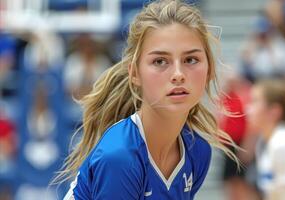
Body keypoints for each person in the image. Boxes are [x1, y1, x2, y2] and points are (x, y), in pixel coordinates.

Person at [55, 0, 238, 199]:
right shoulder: (119, 156)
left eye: (190, 60)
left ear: (209, 69)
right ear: (135, 73)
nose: (178, 74)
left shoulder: (197, 151)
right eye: (160, 61)